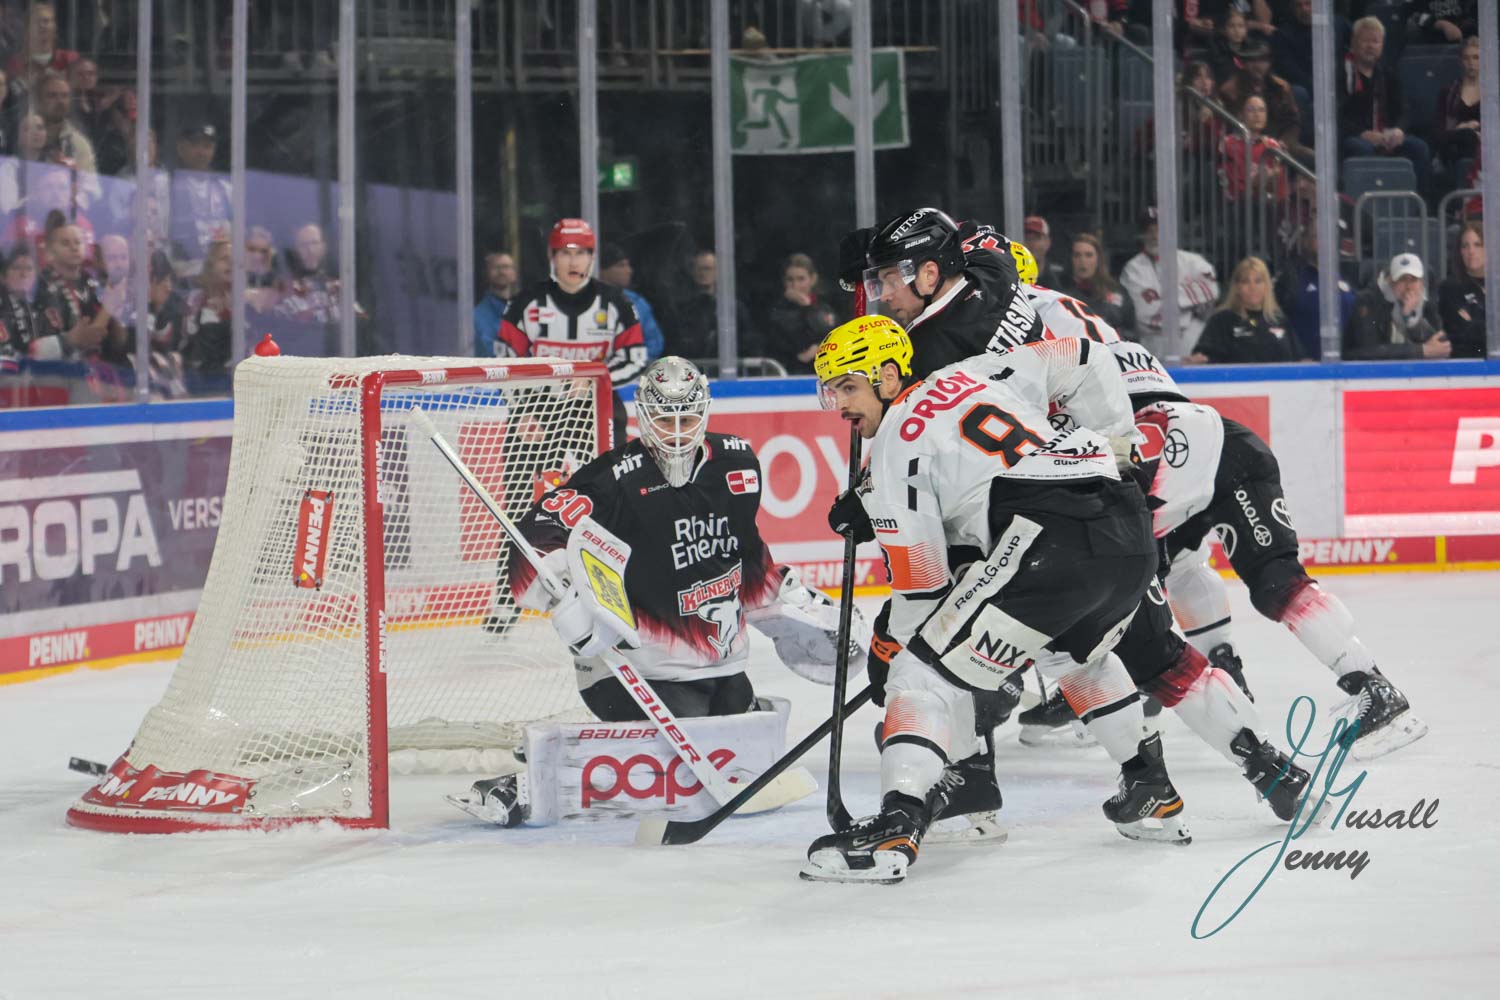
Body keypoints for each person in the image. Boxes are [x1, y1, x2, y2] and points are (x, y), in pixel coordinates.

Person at [804, 315, 1304, 883]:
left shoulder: (895, 447)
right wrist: (1119, 443)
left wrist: (894, 648)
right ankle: (1173, 785)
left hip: (1047, 541)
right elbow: (1083, 355)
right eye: (831, 390)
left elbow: (922, 582)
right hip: (1124, 520)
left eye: (847, 387)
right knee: (1075, 654)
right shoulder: (975, 373)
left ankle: (896, 827)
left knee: (920, 677)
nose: (839, 406)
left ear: (889, 376)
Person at [1005, 242, 1427, 762]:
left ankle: (1124, 693)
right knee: (1245, 576)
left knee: (1108, 581)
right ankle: (1352, 682)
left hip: (1162, 454)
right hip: (1221, 442)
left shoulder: (1027, 343)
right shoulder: (1096, 328)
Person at [449, 356, 866, 827]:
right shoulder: (613, 479)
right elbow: (533, 535)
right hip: (635, 670)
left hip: (720, 667)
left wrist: (792, 612)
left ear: (704, 413)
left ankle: (619, 760)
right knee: (681, 764)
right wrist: (565, 596)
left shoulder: (736, 463)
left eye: (686, 418)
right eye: (664, 419)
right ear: (644, 416)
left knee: (739, 730)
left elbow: (746, 558)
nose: (675, 431)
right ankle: (527, 783)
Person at [498, 218, 646, 446]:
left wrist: (592, 378)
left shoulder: (617, 303)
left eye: (581, 253)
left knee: (612, 475)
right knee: (521, 477)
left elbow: (634, 359)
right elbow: (505, 361)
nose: (574, 262)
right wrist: (520, 409)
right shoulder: (525, 302)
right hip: (537, 406)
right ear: (552, 256)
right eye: (565, 253)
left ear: (592, 256)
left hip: (597, 402)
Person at [840, 206, 1042, 372]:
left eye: (892, 281)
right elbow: (967, 231)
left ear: (929, 275)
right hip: (1060, 399)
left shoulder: (926, 350)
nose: (884, 296)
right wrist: (888, 239)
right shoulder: (993, 265)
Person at [1338, 17, 1430, 198]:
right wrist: (1363, 134)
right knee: (1362, 149)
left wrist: (1399, 130)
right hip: (1355, 137)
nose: (1371, 46)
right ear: (1354, 44)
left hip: (1386, 136)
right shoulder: (1342, 75)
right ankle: (1366, 207)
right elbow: (1337, 115)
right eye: (1365, 41)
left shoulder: (1388, 75)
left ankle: (1420, 208)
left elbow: (1404, 110)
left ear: (1382, 46)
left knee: (1419, 148)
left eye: (1376, 41)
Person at [1120, 207, 1221, 358]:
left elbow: (1213, 293)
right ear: (1142, 235)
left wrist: (1165, 298)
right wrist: (1190, 307)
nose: (1155, 236)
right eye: (1149, 230)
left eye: (1159, 230)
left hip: (1194, 344)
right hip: (1154, 346)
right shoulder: (1133, 269)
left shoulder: (1193, 261)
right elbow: (1146, 316)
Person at [27, 212, 126, 367]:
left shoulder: (89, 281)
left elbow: (115, 341)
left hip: (97, 371)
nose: (74, 247)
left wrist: (119, 315)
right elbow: (85, 339)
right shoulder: (43, 286)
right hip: (59, 374)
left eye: (78, 242)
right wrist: (109, 306)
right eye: (65, 243)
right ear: (49, 253)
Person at [1275, 209, 1356, 359]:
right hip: (1305, 369)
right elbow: (1279, 324)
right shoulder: (1292, 277)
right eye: (1317, 236)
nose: (1324, 241)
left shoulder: (1347, 274)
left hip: (1343, 368)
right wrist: (1297, 356)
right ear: (1306, 241)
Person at [1191, 256, 1301, 363]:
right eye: (1245, 282)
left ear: (1267, 286)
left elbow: (1300, 359)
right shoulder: (1221, 320)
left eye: (1258, 281)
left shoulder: (1279, 320)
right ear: (1237, 287)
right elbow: (1203, 359)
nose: (1252, 287)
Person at [1344, 252, 1450, 360]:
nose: (1409, 287)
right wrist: (1420, 351)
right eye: (1402, 280)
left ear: (1421, 283)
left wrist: (1413, 322)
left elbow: (1441, 346)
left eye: (1413, 280)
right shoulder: (1368, 301)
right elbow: (1369, 350)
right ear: (1390, 281)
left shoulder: (1426, 303)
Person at [1219, 38, 1305, 158]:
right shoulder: (1230, 90)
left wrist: (1283, 142)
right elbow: (1231, 126)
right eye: (1252, 60)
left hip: (1281, 144)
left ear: (1269, 63)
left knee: (1310, 158)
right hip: (1246, 145)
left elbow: (1293, 121)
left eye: (1263, 60)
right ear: (1244, 63)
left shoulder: (1280, 87)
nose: (1258, 65)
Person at [668, 248, 755, 361]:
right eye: (699, 269)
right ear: (692, 272)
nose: (703, 273)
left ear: (718, 272)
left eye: (707, 269)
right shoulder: (682, 308)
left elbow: (747, 341)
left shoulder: (733, 308)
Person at [167, 123, 232, 269]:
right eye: (195, 145)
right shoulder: (168, 187)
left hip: (219, 271)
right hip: (183, 272)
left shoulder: (225, 188)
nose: (201, 152)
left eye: (207, 146)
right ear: (181, 148)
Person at [764, 252, 840, 374]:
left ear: (813, 279)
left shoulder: (824, 307)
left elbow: (832, 335)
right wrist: (804, 306)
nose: (795, 285)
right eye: (790, 280)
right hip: (792, 374)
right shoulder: (777, 310)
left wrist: (820, 347)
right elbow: (790, 340)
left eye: (801, 279)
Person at [1057, 231, 1135, 337]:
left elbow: (1132, 333)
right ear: (1071, 259)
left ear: (1098, 259)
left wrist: (1114, 336)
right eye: (1077, 255)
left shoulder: (1117, 292)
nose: (1082, 261)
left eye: (1088, 255)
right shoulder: (1060, 295)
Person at [597, 242, 665, 361]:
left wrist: (633, 363)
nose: (629, 270)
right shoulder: (588, 299)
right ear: (602, 270)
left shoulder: (638, 303)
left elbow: (654, 342)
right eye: (620, 265)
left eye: (628, 265)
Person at [33, 71, 98, 185]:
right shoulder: (24, 135)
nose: (60, 101)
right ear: (38, 101)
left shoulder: (78, 142)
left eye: (64, 96)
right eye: (52, 95)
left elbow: (91, 190)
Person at [1435, 36, 1482, 180]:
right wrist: (1462, 129)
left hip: (1486, 147)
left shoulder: (1494, 94)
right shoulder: (1447, 93)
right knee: (1467, 136)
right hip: (1453, 145)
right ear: (1461, 61)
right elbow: (1438, 133)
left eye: (1476, 57)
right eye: (1466, 58)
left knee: (1472, 138)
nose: (1471, 63)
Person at [1439, 221, 1486, 359]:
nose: (1471, 251)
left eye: (1478, 245)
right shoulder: (1450, 288)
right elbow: (1460, 331)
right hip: (1467, 367)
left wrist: (1473, 322)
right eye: (1465, 246)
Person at [472, 250, 518, 358]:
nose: (501, 272)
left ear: (514, 274)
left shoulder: (524, 311)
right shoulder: (477, 316)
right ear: (487, 273)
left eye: (506, 267)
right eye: (496, 267)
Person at [0, 245, 39, 370]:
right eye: (17, 268)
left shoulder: (36, 306)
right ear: (3, 276)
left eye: (29, 268)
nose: (24, 274)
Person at [1021, 215, 1067, 288]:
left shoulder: (1061, 279)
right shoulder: (1012, 277)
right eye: (1026, 238)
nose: (1030, 244)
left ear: (1048, 242)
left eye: (1036, 238)